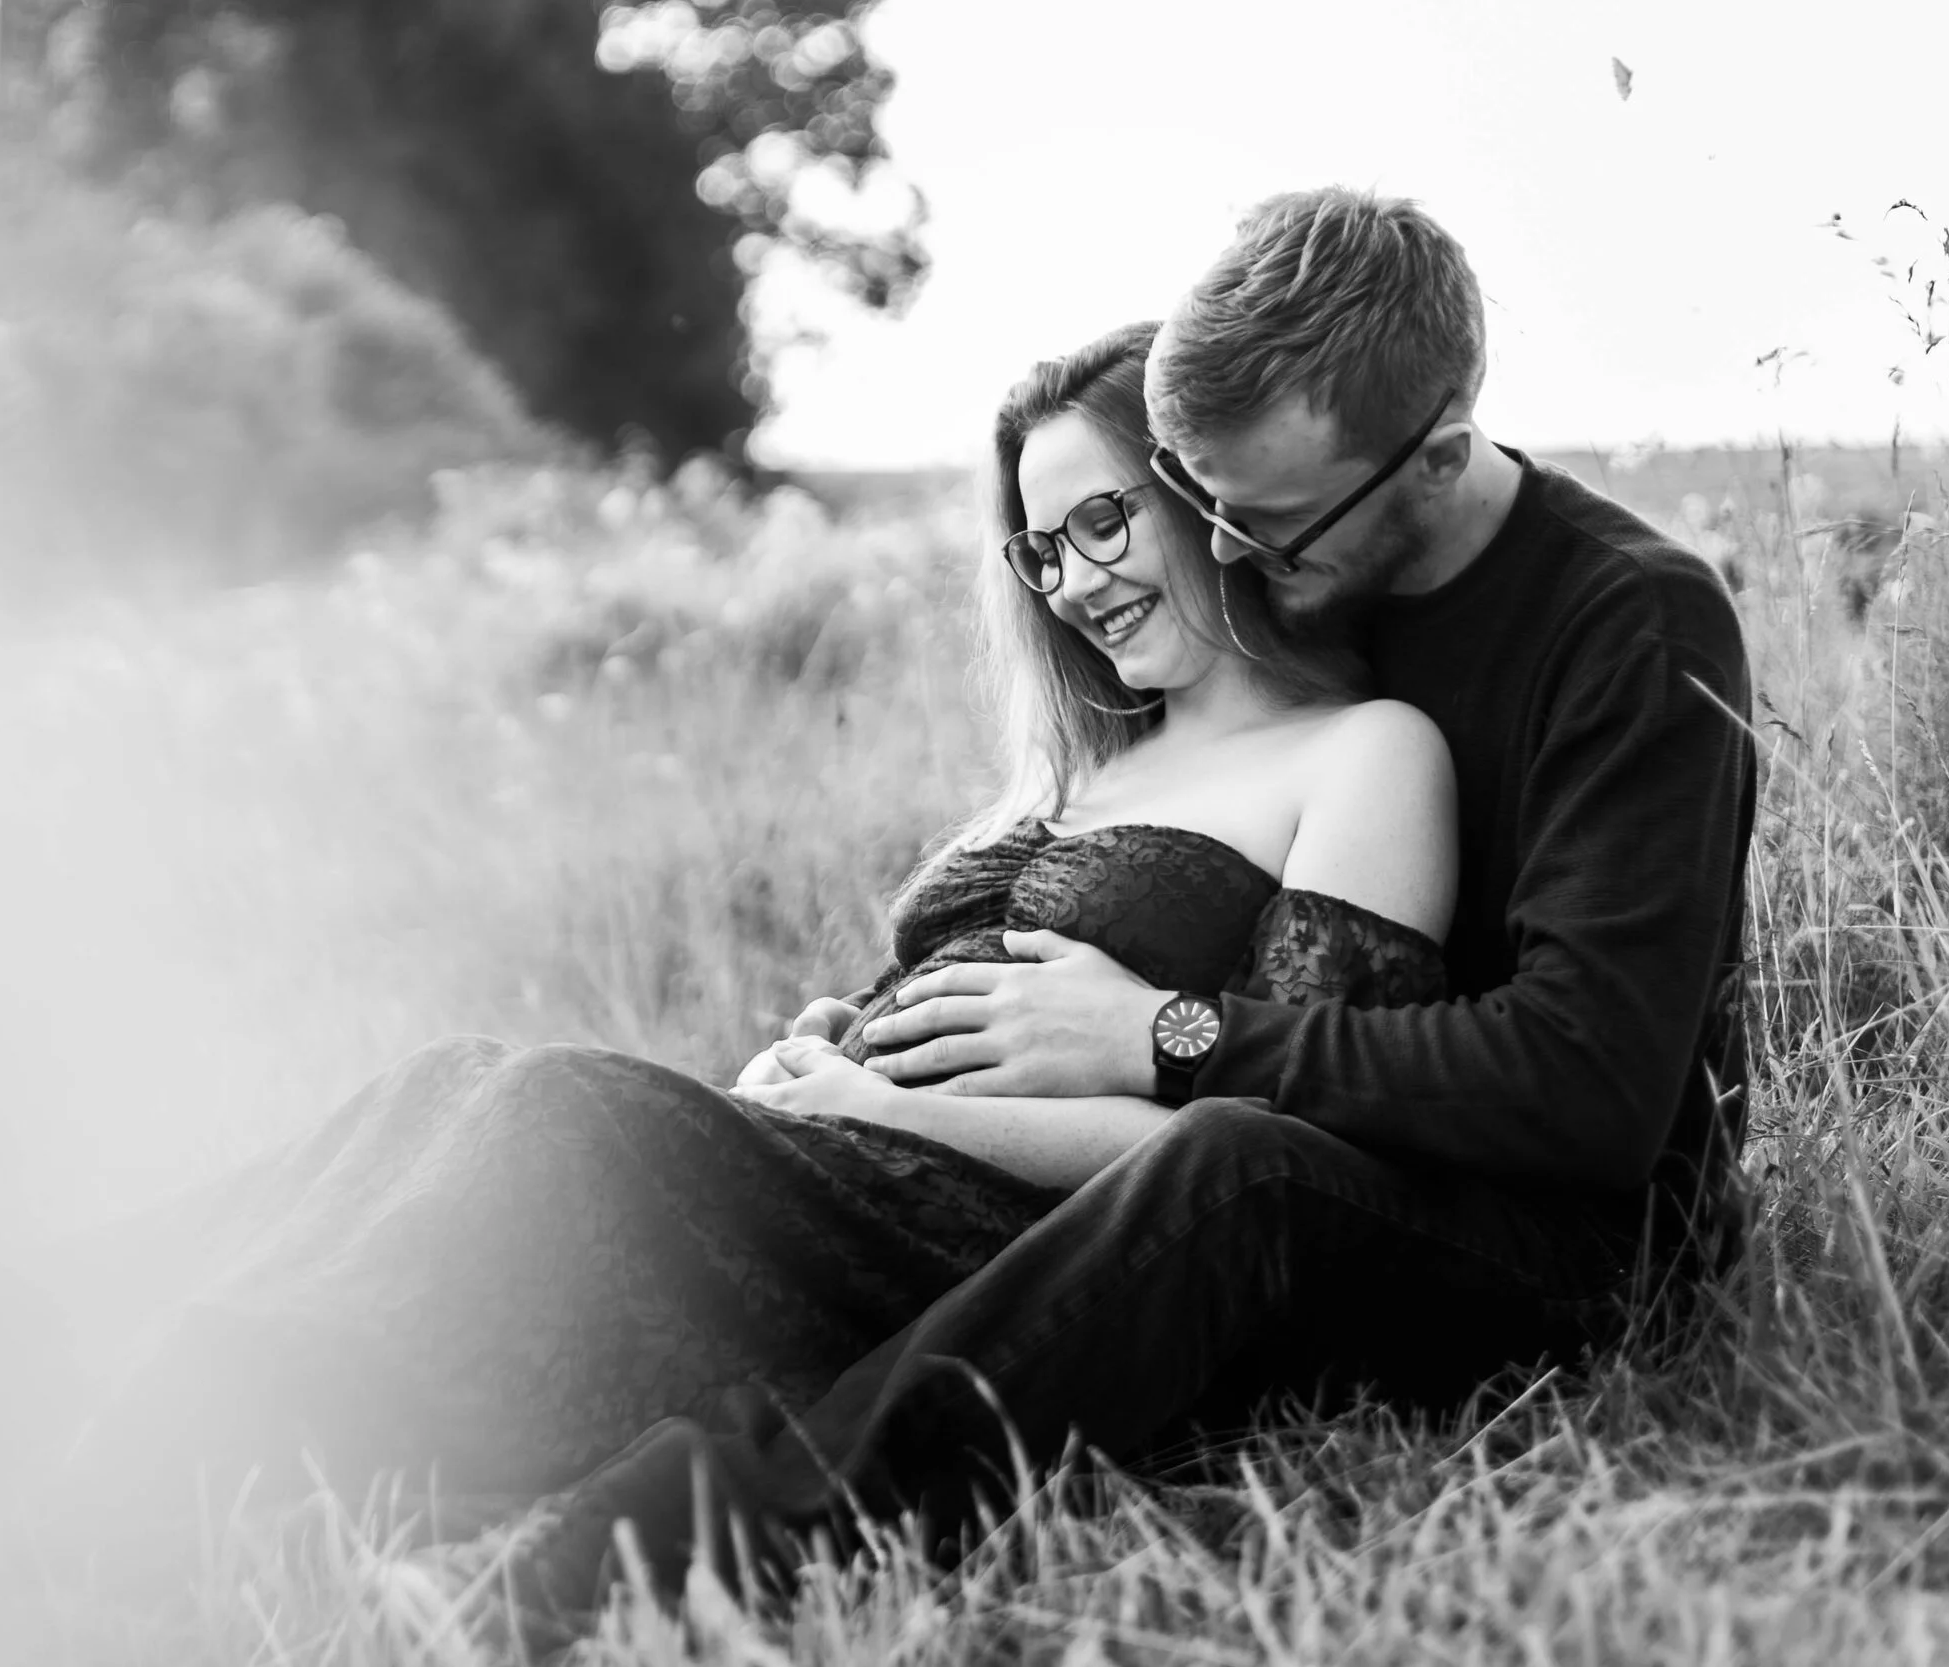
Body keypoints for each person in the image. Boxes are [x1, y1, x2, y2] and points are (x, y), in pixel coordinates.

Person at [0, 318, 1462, 1593]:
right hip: (836, 1154)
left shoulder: (1363, 753)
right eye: (1042, 551)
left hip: (985, 1227)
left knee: (555, 1114)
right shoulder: (1086, 767)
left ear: (1202, 494)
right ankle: (6, 1343)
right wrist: (832, 1049)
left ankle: (150, 1455)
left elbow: (1273, 1163)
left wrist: (892, 1105)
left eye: (1105, 518)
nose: (1078, 581)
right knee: (451, 1086)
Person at [505, 186, 1756, 1631]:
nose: (1220, 554)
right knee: (553, 1111)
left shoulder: (1630, 624)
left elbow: (1589, 1089)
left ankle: (702, 1545)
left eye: (1262, 522)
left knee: (1237, 1167)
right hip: (1350, 1159)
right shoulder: (1327, 562)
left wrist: (1161, 1031)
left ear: (1437, 457)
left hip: (1557, 1242)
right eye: (1201, 505)